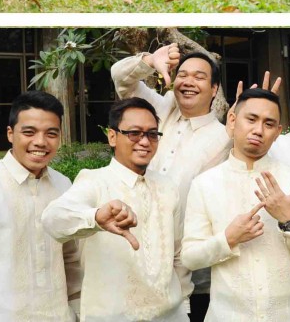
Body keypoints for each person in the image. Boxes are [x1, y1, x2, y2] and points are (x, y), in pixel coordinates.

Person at [111, 43, 232, 321]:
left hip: (185, 275)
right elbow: (120, 77)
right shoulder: (156, 109)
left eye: (200, 77)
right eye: (183, 74)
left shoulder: (225, 137)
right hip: (130, 255)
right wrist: (150, 60)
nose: (189, 82)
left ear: (214, 90)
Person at [42, 98, 192, 322]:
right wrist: (95, 218)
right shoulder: (94, 181)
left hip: (170, 316)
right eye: (134, 133)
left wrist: (183, 307)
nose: (144, 141)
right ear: (113, 136)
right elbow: (52, 220)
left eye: (152, 134)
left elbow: (177, 255)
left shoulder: (168, 188)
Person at [182, 88, 290, 320]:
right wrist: (228, 238)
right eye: (251, 119)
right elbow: (190, 257)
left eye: (269, 124)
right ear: (233, 119)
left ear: (278, 132)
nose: (258, 130)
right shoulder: (204, 184)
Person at [0, 91, 81, 321]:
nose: (40, 142)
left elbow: (71, 256)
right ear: (10, 134)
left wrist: (77, 311)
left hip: (59, 315)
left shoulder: (64, 185)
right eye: (29, 132)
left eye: (51, 133)